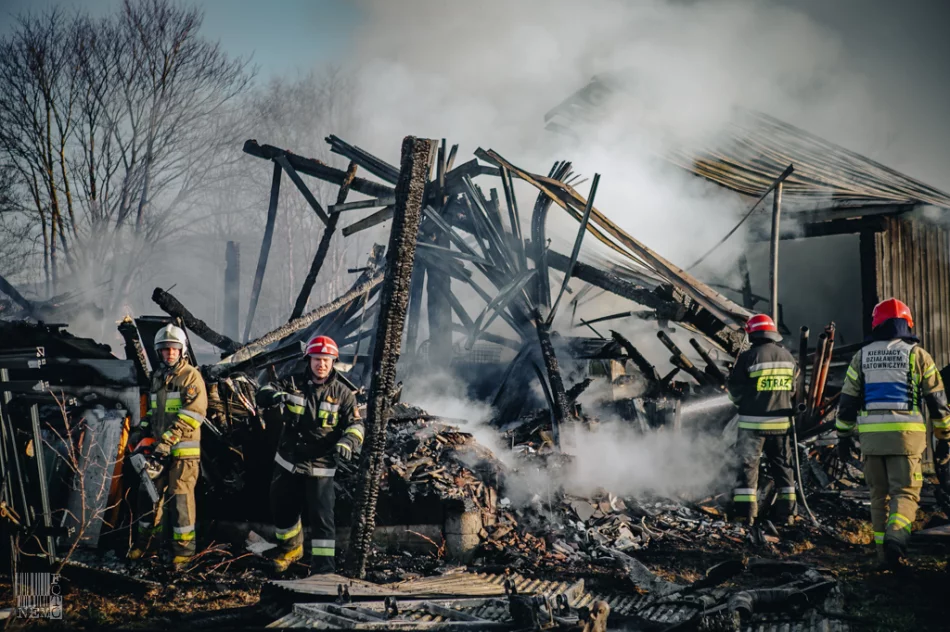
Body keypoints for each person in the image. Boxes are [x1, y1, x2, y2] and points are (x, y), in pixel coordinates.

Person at [835, 298, 950, 569]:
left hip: (872, 440)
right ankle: (896, 540)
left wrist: (842, 437)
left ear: (876, 325)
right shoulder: (917, 355)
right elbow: (937, 402)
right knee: (906, 493)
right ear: (907, 324)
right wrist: (945, 437)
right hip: (906, 438)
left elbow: (847, 403)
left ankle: (882, 555)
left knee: (878, 495)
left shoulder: (861, 356)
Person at [257, 334, 364, 574]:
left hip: (321, 465)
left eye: (326, 360)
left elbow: (356, 426)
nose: (321, 364)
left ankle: (323, 569)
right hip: (288, 462)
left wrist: (347, 442)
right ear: (309, 360)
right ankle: (290, 550)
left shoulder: (343, 394)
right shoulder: (292, 383)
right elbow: (263, 391)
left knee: (322, 520)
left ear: (333, 362)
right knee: (282, 510)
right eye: (317, 359)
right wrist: (273, 396)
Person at [129, 324, 207, 571]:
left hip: (183, 455)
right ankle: (147, 546)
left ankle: (183, 554)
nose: (169, 354)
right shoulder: (157, 378)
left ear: (182, 350)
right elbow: (154, 411)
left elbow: (192, 414)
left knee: (180, 502)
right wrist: (141, 430)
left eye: (174, 349)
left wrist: (165, 443)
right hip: (158, 453)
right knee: (148, 499)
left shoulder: (191, 376)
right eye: (165, 350)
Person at [727, 314, 799, 528]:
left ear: (753, 334)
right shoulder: (788, 358)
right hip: (781, 425)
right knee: (783, 468)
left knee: (748, 467)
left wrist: (742, 402)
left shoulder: (749, 357)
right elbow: (793, 390)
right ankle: (787, 515)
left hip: (752, 426)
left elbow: (735, 392)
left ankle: (746, 515)